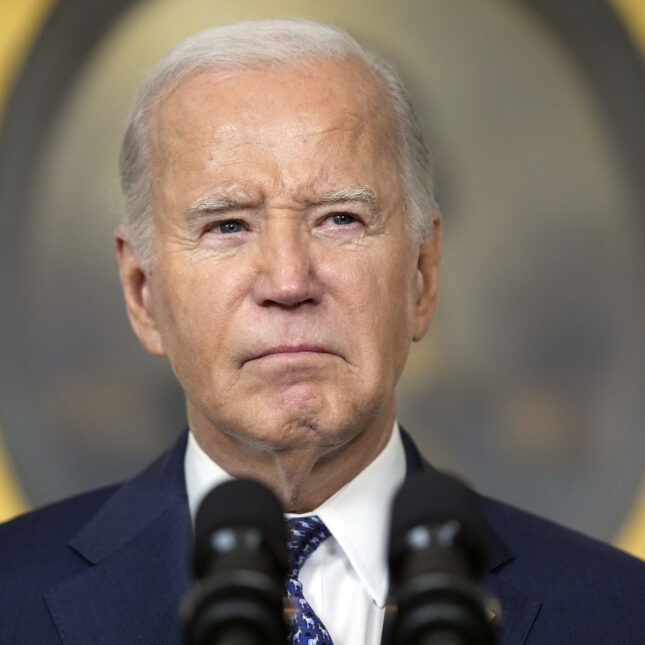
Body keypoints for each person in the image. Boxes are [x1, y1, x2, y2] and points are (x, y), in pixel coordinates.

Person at [1, 18, 644, 645]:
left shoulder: (621, 614)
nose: (288, 280)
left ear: (421, 274)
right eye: (228, 225)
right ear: (143, 294)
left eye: (339, 218)